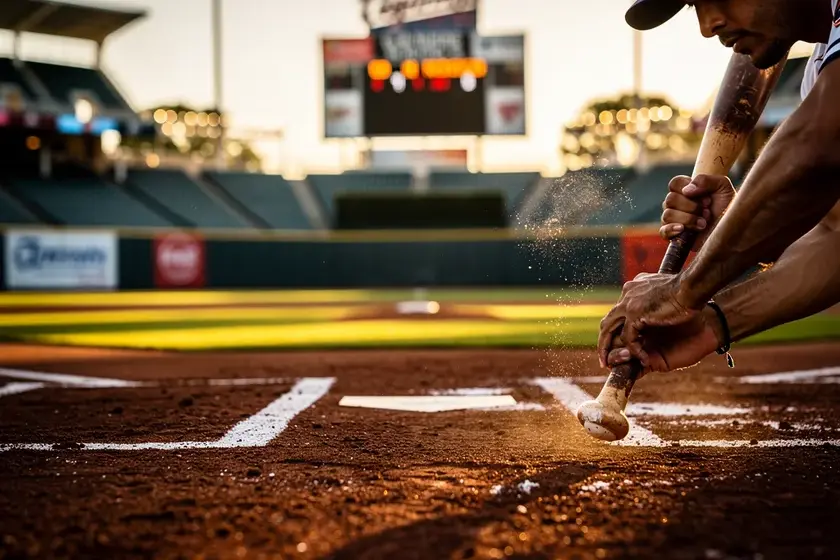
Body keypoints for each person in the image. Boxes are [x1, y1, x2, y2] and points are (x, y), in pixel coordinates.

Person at [598, 0, 840, 376]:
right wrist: (714, 322)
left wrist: (684, 291)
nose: (707, 26)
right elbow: (835, 236)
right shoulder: (818, 74)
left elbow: (819, 142)